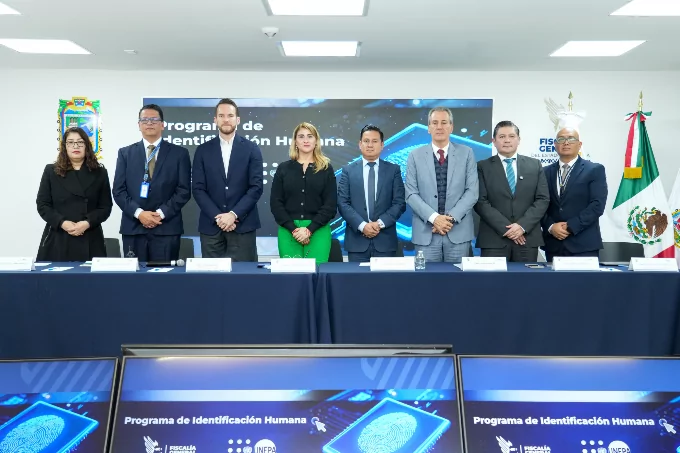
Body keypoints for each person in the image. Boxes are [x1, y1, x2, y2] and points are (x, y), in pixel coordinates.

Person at [112, 104, 191, 261]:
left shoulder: (179, 153)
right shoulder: (125, 153)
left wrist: (160, 214)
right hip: (134, 227)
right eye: (145, 120)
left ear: (162, 125)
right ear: (139, 125)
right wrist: (139, 214)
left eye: (154, 119)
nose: (149, 123)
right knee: (135, 275)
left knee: (165, 274)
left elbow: (184, 190)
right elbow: (118, 190)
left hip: (166, 228)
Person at [405, 107, 479, 262]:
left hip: (458, 233)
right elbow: (411, 193)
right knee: (426, 278)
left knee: (458, 277)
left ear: (451, 127)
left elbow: (472, 191)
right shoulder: (414, 155)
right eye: (435, 123)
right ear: (428, 128)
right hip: (426, 234)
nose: (439, 127)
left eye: (444, 122)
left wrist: (449, 219)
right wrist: (434, 218)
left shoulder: (467, 153)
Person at [192, 99, 263, 261]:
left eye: (230, 116)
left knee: (244, 276)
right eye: (221, 116)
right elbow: (198, 188)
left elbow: (256, 187)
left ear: (238, 120)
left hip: (243, 227)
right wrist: (218, 217)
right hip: (211, 228)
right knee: (212, 277)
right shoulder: (203, 150)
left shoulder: (252, 149)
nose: (226, 119)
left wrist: (233, 215)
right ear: (215, 119)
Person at [474, 121, 549, 262]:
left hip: (526, 238)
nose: (507, 140)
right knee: (493, 277)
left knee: (525, 277)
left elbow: (542, 199)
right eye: (502, 137)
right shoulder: (482, 167)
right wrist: (508, 229)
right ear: (493, 141)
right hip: (493, 240)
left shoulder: (535, 165)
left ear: (518, 140)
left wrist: (522, 226)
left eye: (511, 136)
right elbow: (480, 202)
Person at [36, 127, 112, 261]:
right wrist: (62, 222)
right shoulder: (51, 171)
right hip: (59, 236)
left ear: (87, 146)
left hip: (90, 235)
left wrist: (87, 223)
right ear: (64, 146)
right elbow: (43, 204)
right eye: (70, 142)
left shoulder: (100, 172)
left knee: (90, 275)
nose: (75, 146)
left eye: (80, 142)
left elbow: (105, 207)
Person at [337, 125, 406, 262]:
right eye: (366, 141)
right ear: (360, 144)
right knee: (356, 277)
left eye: (374, 141)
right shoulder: (348, 171)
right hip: (357, 243)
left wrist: (379, 224)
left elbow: (399, 203)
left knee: (385, 277)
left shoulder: (393, 170)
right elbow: (343, 203)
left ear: (382, 145)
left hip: (385, 243)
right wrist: (363, 226)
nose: (370, 145)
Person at [270, 122, 337, 263]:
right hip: (288, 230)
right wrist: (294, 229)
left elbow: (330, 205)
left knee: (316, 274)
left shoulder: (326, 169)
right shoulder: (283, 168)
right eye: (301, 136)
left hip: (318, 229)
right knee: (291, 274)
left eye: (310, 136)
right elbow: (276, 203)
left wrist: (309, 229)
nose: (306, 140)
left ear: (316, 141)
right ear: (295, 142)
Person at [540, 127, 608, 262]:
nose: (566, 142)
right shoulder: (544, 172)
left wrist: (570, 226)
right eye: (561, 139)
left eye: (571, 139)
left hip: (584, 244)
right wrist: (551, 226)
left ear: (579, 144)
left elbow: (597, 205)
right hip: (554, 244)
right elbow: (539, 204)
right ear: (555, 144)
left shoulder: (594, 170)